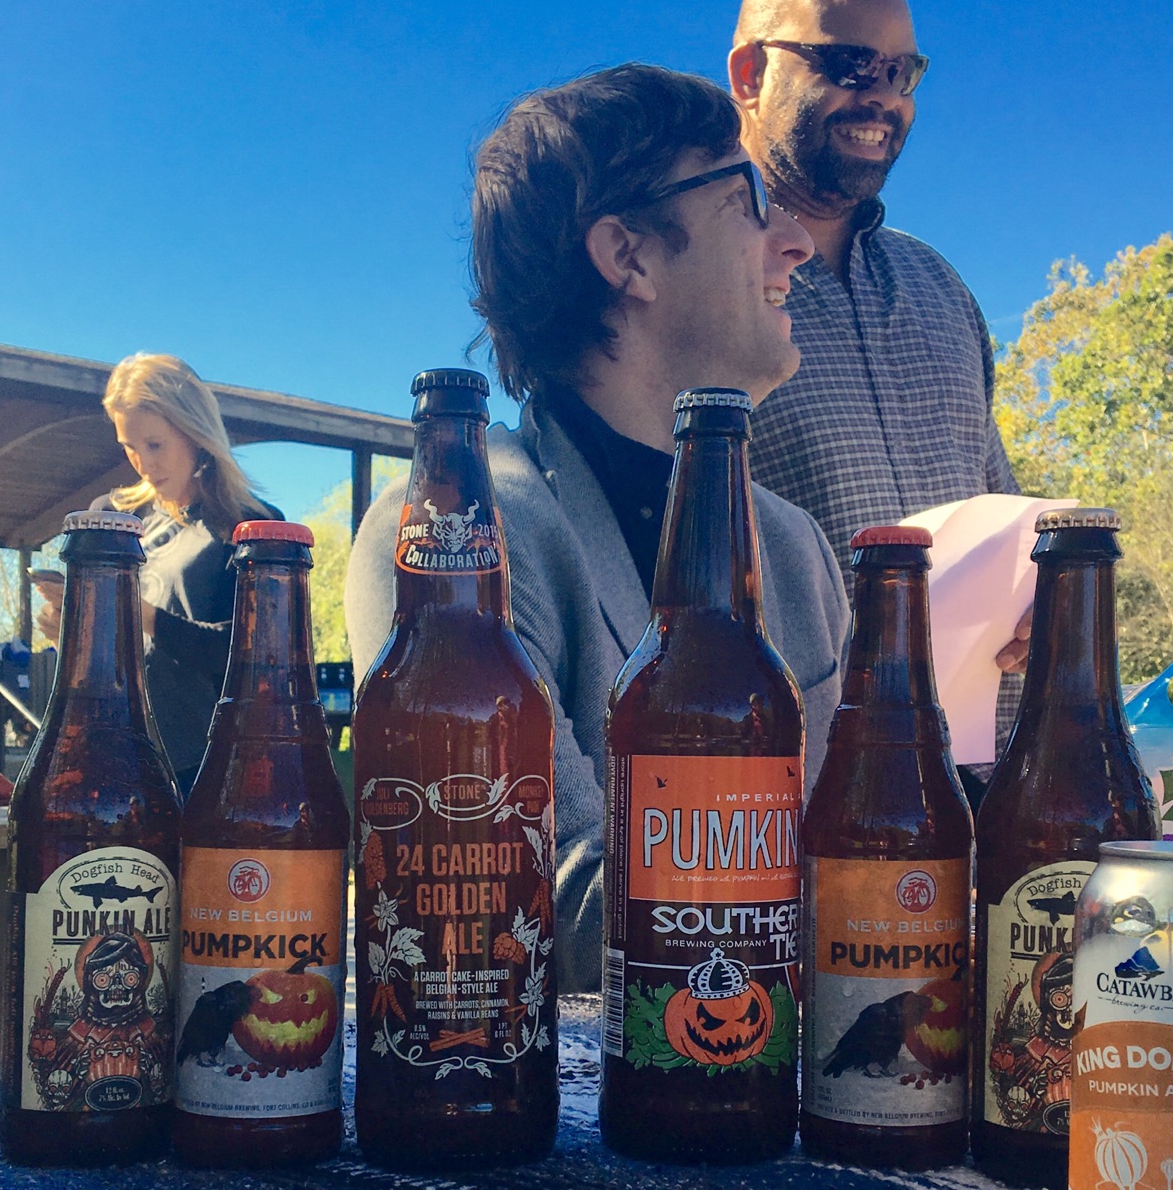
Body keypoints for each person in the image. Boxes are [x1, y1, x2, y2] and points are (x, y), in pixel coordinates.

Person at [345, 64, 850, 995]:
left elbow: (872, 816)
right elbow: (528, 902)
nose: (797, 243)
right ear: (629, 255)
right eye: (750, 200)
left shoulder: (796, 549)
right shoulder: (458, 539)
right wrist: (897, 908)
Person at [726, 0, 1031, 729]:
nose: (882, 98)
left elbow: (999, 516)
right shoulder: (694, 280)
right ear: (752, 75)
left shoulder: (940, 289)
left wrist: (1040, 595)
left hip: (985, 781)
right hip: (793, 792)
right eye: (849, 66)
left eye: (902, 73)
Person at [34, 354, 280, 795]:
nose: (142, 462)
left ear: (194, 432)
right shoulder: (111, 517)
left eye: (155, 444)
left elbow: (255, 658)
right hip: (115, 748)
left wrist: (140, 613)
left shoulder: (252, 524)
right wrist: (69, 632)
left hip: (212, 765)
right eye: (128, 446)